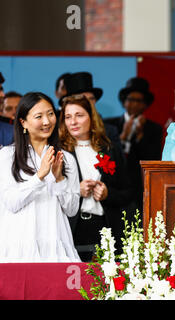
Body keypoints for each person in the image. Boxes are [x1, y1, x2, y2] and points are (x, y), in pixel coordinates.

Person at [0, 92, 80, 262]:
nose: (47, 121)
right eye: (39, 116)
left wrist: (59, 180)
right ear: (23, 122)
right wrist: (40, 176)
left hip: (56, 247)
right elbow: (11, 203)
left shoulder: (66, 158)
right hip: (19, 249)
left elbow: (72, 210)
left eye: (50, 114)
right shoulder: (7, 156)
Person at [59, 94, 133, 261]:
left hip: (105, 227)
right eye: (68, 117)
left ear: (91, 117)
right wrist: (76, 191)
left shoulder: (109, 148)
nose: (73, 122)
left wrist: (108, 194)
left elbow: (128, 191)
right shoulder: (59, 152)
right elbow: (49, 194)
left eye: (79, 115)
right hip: (71, 229)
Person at [104, 77, 163, 212]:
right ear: (124, 102)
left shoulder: (154, 129)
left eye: (139, 101)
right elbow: (104, 154)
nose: (134, 104)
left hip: (138, 189)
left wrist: (139, 136)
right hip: (113, 188)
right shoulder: (108, 125)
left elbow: (152, 160)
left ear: (145, 104)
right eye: (131, 99)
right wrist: (123, 136)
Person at [60, 72, 121, 146]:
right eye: (83, 100)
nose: (88, 104)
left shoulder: (109, 131)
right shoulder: (58, 134)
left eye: (91, 99)